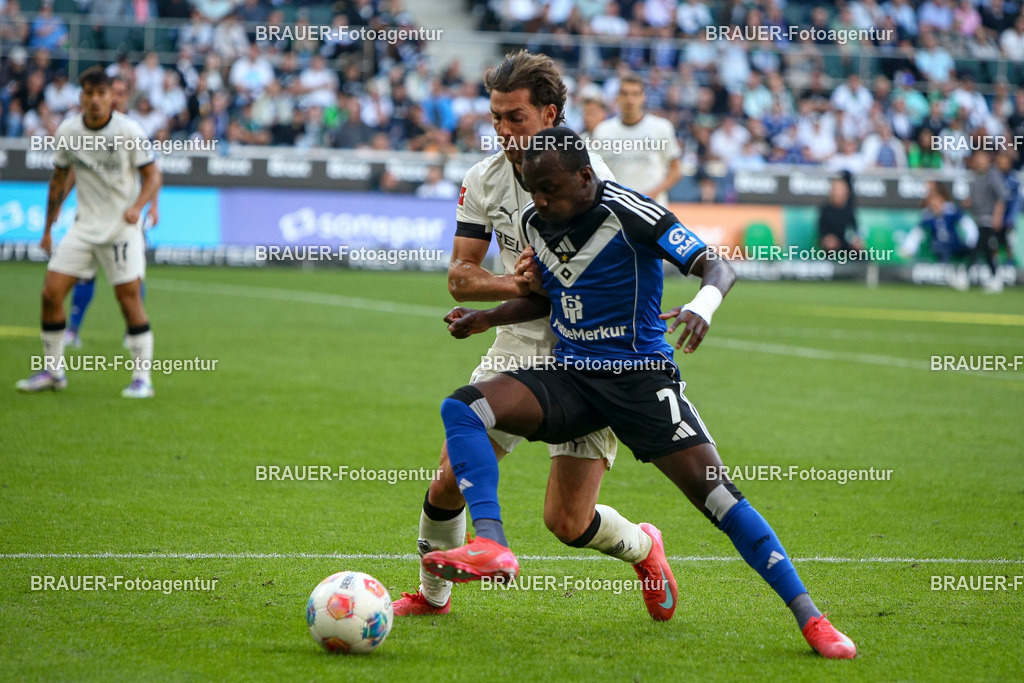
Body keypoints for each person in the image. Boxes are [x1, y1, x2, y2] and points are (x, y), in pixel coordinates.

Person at [423, 127, 857, 660]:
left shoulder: (633, 213)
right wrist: (484, 319)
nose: (541, 202)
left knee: (719, 497)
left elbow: (716, 266)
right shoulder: (537, 221)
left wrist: (703, 304)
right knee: (464, 406)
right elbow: (552, 300)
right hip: (574, 379)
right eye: (533, 191)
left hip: (641, 382)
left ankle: (811, 617)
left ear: (585, 177)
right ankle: (491, 542)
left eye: (551, 190)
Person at [393, 52, 677, 623]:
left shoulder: (592, 178)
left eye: (514, 118)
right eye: (495, 117)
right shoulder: (483, 179)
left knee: (568, 522)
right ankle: (432, 595)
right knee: (451, 477)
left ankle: (646, 548)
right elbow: (459, 276)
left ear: (550, 114)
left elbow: (616, 278)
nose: (501, 130)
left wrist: (549, 285)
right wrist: (509, 282)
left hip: (590, 353)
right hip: (518, 344)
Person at [15, 67, 162, 398]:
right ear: (80, 96)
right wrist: (48, 225)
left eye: (101, 94)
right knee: (50, 293)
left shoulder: (129, 131)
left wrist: (140, 206)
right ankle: (53, 372)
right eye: (88, 94)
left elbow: (153, 175)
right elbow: (59, 179)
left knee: (128, 300)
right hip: (82, 227)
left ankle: (143, 379)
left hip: (121, 229)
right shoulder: (68, 131)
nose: (95, 100)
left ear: (112, 96)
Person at [65, 75, 160, 349]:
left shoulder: (132, 130)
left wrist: (151, 205)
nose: (115, 98)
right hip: (92, 216)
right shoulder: (84, 129)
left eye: (119, 93)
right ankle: (73, 329)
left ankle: (133, 332)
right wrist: (59, 204)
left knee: (131, 278)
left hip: (125, 218)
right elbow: (73, 168)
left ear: (125, 97)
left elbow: (154, 173)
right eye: (112, 92)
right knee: (84, 273)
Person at [590, 74, 682, 204]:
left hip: (654, 209)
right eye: (625, 94)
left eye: (635, 94)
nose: (630, 99)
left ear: (643, 97)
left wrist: (652, 194)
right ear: (618, 97)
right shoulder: (603, 131)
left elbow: (676, 170)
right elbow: (595, 172)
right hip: (616, 210)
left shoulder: (662, 128)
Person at [901, 184, 976, 290]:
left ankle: (964, 274)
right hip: (939, 246)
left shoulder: (951, 210)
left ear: (942, 199)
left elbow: (967, 224)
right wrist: (909, 248)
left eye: (936, 199)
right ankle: (949, 275)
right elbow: (917, 233)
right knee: (942, 249)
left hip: (955, 244)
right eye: (931, 200)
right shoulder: (928, 215)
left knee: (973, 250)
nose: (934, 203)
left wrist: (972, 239)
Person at [966, 150, 1007, 293]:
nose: (978, 161)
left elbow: (1001, 197)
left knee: (980, 245)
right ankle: (995, 277)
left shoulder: (992, 175)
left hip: (989, 218)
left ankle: (967, 272)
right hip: (978, 217)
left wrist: (997, 216)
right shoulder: (976, 175)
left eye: (981, 158)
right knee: (985, 248)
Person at [817, 172, 865, 254]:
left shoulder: (850, 209)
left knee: (859, 249)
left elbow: (854, 229)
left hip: (847, 243)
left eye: (841, 189)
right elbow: (822, 232)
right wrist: (827, 239)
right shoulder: (825, 210)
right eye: (836, 189)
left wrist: (856, 240)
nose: (839, 193)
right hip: (832, 244)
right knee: (830, 245)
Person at [995, 151, 1019, 266]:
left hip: (1008, 217)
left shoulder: (1013, 181)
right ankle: (996, 264)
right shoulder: (994, 179)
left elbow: (1016, 201)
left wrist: (1011, 218)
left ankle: (1010, 264)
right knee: (995, 242)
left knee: (1010, 241)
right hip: (995, 216)